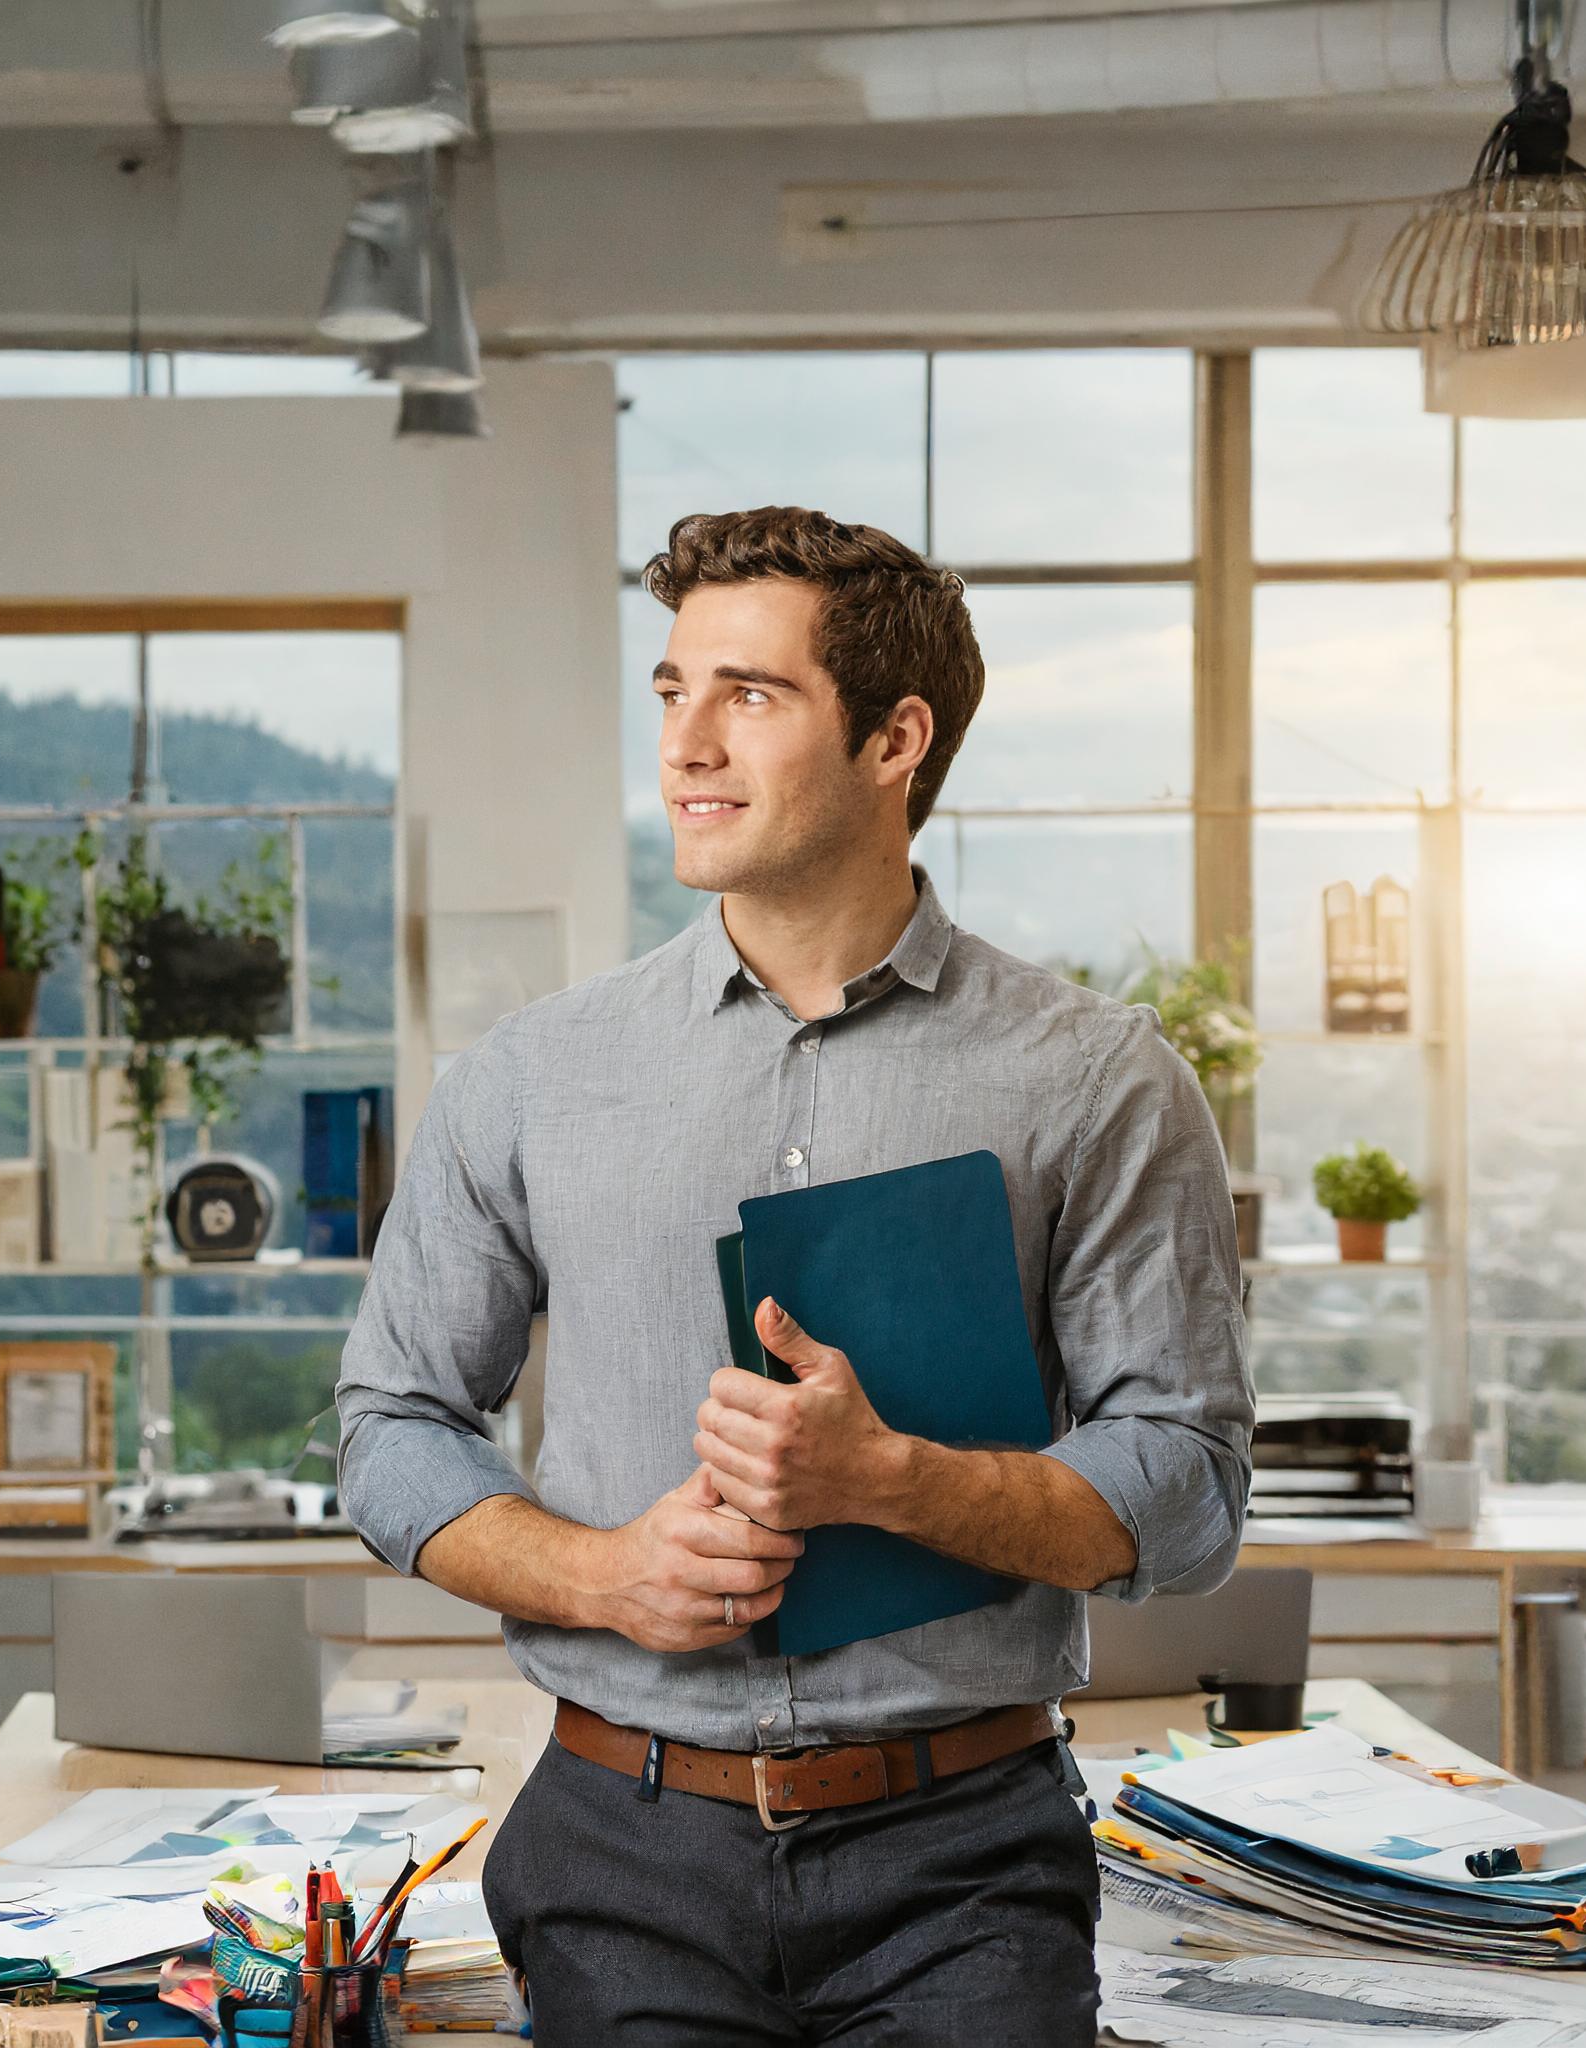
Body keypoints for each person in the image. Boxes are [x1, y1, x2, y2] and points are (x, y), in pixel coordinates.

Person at [334, 506, 1255, 2046]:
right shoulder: (532, 1077)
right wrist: (602, 1573)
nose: (687, 742)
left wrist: (895, 1482)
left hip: (966, 1871)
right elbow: (388, 1426)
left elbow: (1188, 1484)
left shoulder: (1094, 1079)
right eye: (673, 689)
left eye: (749, 695)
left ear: (898, 738)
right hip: (619, 1855)